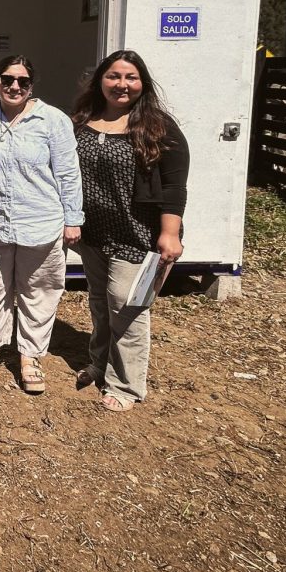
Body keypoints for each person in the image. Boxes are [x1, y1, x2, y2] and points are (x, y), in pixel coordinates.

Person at [71, 50, 190, 412]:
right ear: (100, 80)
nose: (121, 85)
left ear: (142, 83)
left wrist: (171, 234)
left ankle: (125, 385)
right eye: (114, 76)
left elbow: (174, 186)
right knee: (100, 303)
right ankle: (99, 362)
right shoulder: (83, 120)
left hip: (138, 236)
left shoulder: (158, 127)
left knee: (129, 306)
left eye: (130, 77)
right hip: (94, 234)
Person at [0, 55, 83, 394]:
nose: (14, 86)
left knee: (38, 292)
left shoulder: (53, 120)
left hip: (41, 222)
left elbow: (68, 173)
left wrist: (73, 219)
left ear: (32, 86)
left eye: (23, 81)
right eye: (7, 79)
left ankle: (30, 355)